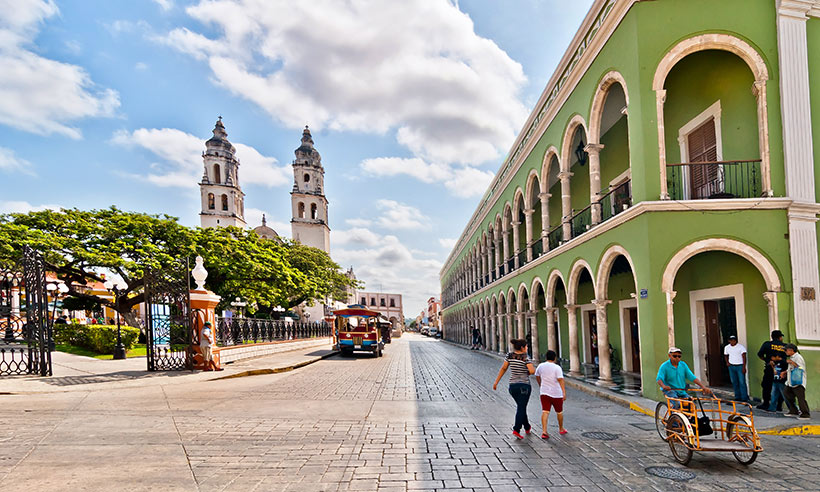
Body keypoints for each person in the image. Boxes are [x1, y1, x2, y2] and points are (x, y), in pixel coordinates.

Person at [493, 339, 535, 439]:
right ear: (522, 347)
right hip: (524, 386)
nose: (527, 348)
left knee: (521, 406)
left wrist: (496, 382)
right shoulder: (525, 357)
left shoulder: (509, 356)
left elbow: (503, 368)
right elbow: (532, 371)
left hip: (513, 386)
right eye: (526, 346)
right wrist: (527, 372)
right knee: (521, 407)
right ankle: (516, 429)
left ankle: (527, 426)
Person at [534, 350, 567, 439]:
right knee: (559, 412)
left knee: (545, 411)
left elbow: (537, 375)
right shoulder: (557, 368)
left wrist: (540, 384)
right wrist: (564, 392)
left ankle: (544, 431)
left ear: (546, 357)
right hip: (556, 393)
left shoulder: (541, 366)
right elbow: (560, 380)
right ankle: (561, 428)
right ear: (555, 358)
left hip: (544, 392)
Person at [756, 330, 786, 410]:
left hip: (770, 368)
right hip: (782, 370)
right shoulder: (785, 346)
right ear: (780, 337)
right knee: (780, 387)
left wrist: (767, 360)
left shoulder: (767, 344)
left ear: (772, 337)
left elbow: (759, 354)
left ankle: (766, 403)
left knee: (766, 386)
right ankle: (779, 405)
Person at [782, 344, 810, 419]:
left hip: (798, 381)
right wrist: (785, 372)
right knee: (786, 393)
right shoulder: (792, 357)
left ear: (791, 350)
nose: (785, 351)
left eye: (786, 350)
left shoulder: (798, 358)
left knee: (800, 398)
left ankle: (805, 413)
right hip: (791, 381)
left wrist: (792, 363)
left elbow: (801, 368)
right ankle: (793, 410)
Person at [723, 335, 748, 402]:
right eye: (731, 340)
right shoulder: (727, 347)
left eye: (734, 340)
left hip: (740, 365)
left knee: (742, 382)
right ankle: (737, 396)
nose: (732, 341)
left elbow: (744, 356)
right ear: (729, 341)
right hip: (731, 366)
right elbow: (725, 355)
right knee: (734, 381)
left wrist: (744, 366)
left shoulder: (741, 347)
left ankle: (744, 397)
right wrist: (727, 362)